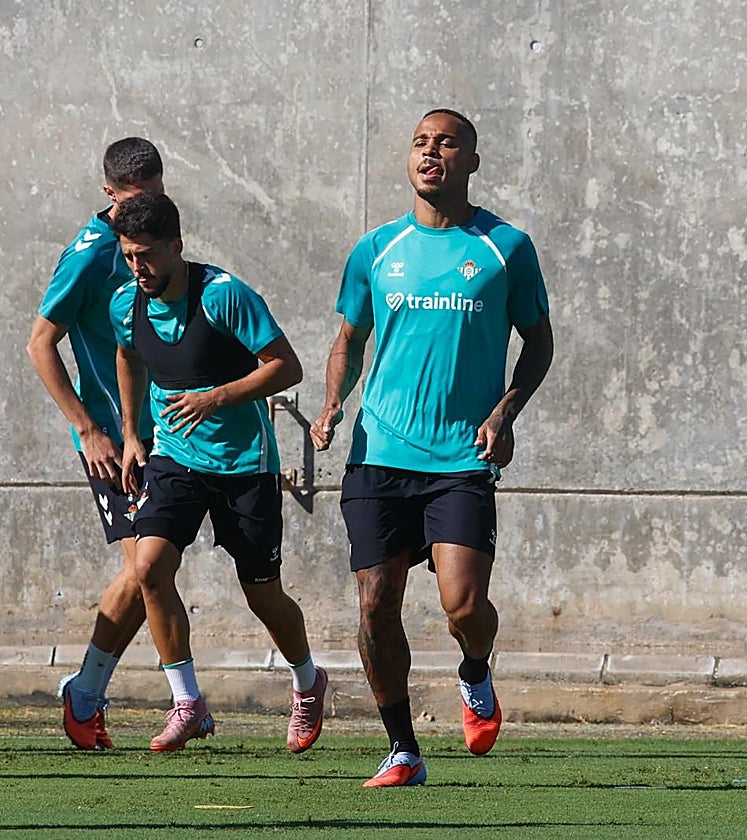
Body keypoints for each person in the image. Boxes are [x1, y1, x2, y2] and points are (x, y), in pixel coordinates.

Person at [310, 109, 554, 786]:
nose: (430, 153)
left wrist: (506, 411)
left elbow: (539, 340)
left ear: (471, 161)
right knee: (374, 604)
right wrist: (333, 404)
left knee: (465, 609)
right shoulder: (376, 250)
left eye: (446, 143)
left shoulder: (507, 248)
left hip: (460, 460)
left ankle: (475, 671)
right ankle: (403, 750)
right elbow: (348, 338)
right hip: (379, 453)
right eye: (420, 143)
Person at [109, 192, 327, 753]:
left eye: (148, 256)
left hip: (244, 468)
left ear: (177, 247)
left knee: (263, 595)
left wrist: (216, 398)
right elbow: (128, 356)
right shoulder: (125, 303)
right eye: (129, 255)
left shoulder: (224, 296)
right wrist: (132, 434)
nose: (139, 268)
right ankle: (187, 703)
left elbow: (287, 365)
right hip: (174, 459)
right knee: (150, 567)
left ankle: (307, 681)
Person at [26, 137, 164, 750]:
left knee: (154, 569)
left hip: (169, 431)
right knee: (144, 568)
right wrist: (88, 429)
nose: (145, 212)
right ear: (108, 194)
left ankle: (112, 693)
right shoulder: (87, 257)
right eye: (134, 202)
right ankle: (87, 694)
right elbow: (39, 344)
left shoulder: (155, 238)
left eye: (155, 198)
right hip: (114, 440)